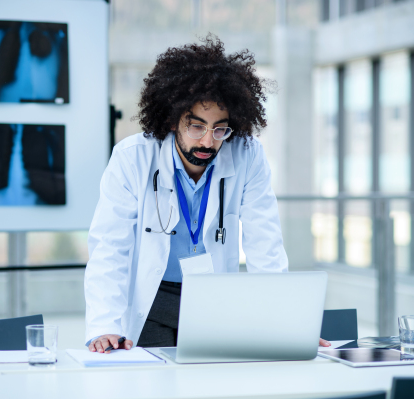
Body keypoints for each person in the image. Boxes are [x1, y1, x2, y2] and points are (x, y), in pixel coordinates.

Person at [85, 36, 330, 353]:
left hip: (214, 300)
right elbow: (110, 246)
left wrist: (285, 324)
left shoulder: (247, 155)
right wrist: (105, 325)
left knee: (212, 383)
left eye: (219, 129)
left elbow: (265, 244)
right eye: (196, 126)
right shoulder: (133, 158)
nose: (208, 142)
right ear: (173, 119)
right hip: (154, 299)